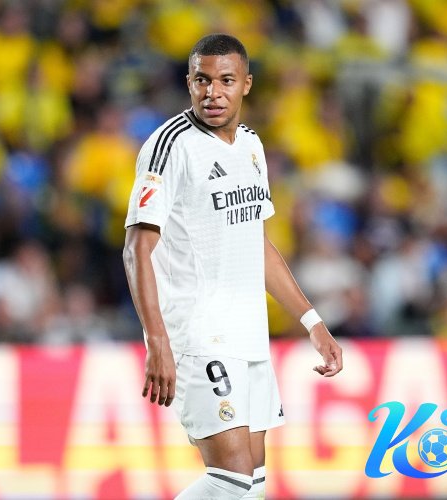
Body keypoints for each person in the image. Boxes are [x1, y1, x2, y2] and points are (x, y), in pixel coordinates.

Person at [123, 33, 343, 499]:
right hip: (199, 336)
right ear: (189, 83)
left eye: (225, 80)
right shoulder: (170, 146)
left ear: (246, 84)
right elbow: (136, 248)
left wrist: (312, 322)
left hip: (249, 335)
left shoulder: (251, 146)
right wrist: (157, 340)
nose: (213, 92)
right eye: (202, 80)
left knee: (251, 488)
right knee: (232, 479)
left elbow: (255, 244)